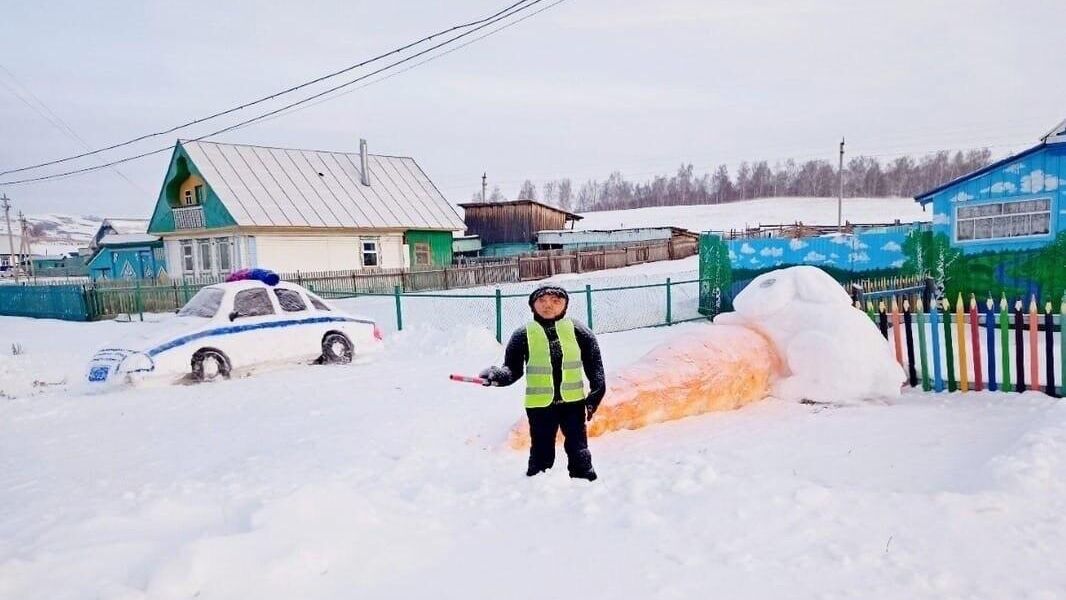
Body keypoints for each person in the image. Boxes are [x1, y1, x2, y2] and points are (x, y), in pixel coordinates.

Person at [480, 285, 606, 481]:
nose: (549, 306)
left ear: (565, 305)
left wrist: (594, 397)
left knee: (578, 446)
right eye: (542, 301)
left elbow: (595, 367)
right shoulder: (523, 334)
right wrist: (497, 376)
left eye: (556, 301)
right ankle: (537, 480)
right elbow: (511, 369)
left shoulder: (579, 331)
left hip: (573, 403)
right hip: (540, 405)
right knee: (541, 447)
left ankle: (584, 479)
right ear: (533, 305)